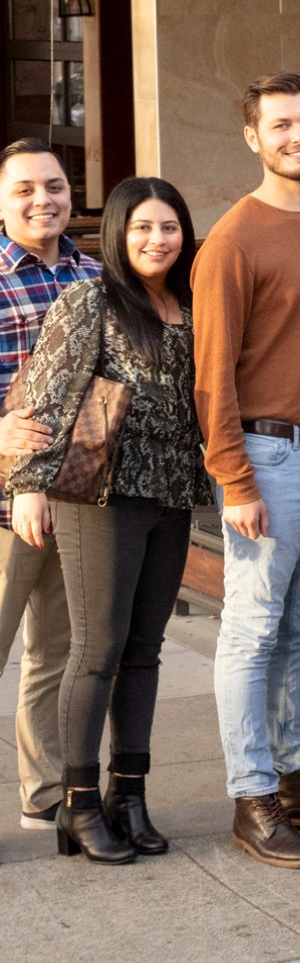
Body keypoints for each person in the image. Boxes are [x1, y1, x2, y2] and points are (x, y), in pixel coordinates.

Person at [193, 72, 300, 870]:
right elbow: (211, 374)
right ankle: (252, 795)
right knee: (251, 631)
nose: (298, 136)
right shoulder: (233, 239)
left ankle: (294, 774)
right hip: (267, 459)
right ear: (253, 138)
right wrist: (235, 481)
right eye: (281, 125)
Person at [4, 177, 205, 863]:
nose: (157, 239)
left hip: (171, 497)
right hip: (98, 497)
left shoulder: (189, 302)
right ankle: (78, 803)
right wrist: (29, 486)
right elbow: (43, 397)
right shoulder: (89, 297)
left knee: (143, 653)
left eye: (169, 227)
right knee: (96, 652)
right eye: (143, 227)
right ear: (118, 232)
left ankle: (130, 795)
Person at [0, 138, 98, 834]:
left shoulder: (96, 274)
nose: (44, 200)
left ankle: (45, 788)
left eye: (55, 186)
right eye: (26, 189)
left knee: (55, 650)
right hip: (3, 502)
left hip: (76, 498)